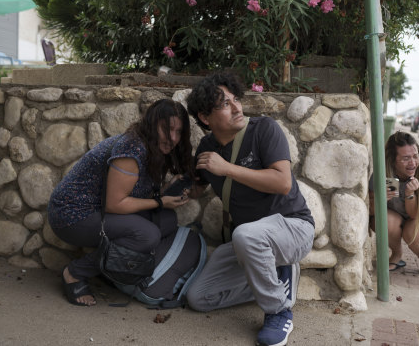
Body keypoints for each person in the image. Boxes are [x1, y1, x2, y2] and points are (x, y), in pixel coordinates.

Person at [185, 72, 315, 346]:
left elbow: (282, 182)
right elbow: (197, 186)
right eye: (224, 104)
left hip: (293, 227)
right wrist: (173, 193)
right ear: (205, 118)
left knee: (244, 235)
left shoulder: (264, 129)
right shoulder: (206, 148)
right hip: (251, 242)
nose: (236, 107)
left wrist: (228, 168)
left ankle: (278, 310)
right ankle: (274, 280)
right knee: (199, 298)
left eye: (235, 99)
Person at [47, 99, 193, 306]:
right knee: (147, 235)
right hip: (72, 215)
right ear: (152, 124)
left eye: (179, 132)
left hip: (100, 211)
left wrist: (166, 190)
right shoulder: (132, 148)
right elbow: (115, 204)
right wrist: (160, 202)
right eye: (167, 129)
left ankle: (113, 266)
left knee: (167, 220)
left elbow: (133, 191)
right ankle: (75, 272)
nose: (173, 138)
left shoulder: (152, 147)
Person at [369, 131, 419, 280]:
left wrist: (409, 194)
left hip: (418, 216)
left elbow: (415, 215)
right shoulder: (383, 174)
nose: (413, 163)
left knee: (414, 232)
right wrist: (380, 200)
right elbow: (370, 212)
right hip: (394, 217)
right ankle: (396, 253)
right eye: (406, 158)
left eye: (415, 156)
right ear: (393, 160)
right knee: (384, 221)